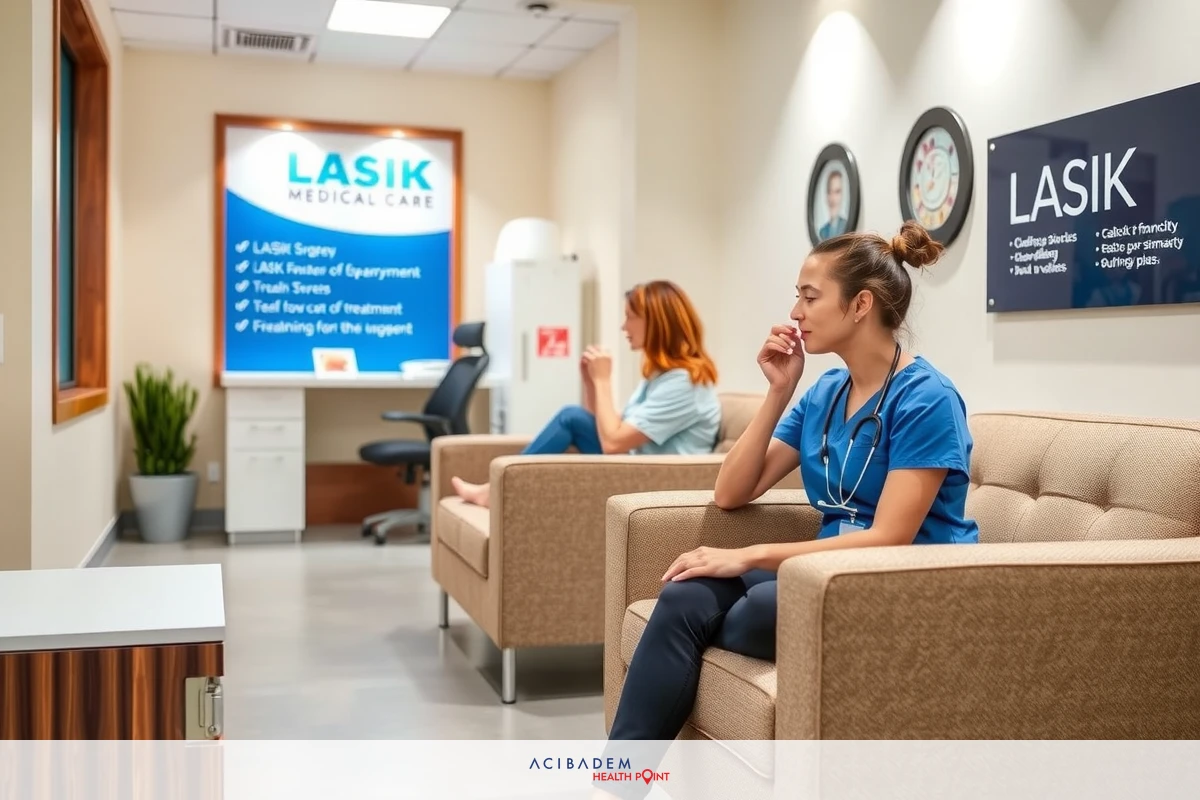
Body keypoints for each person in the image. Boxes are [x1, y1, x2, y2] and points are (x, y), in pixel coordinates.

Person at [599, 220, 979, 763]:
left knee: (761, 605)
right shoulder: (825, 391)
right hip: (822, 570)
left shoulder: (926, 399)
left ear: (859, 305)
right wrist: (779, 392)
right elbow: (732, 492)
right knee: (685, 594)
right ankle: (620, 779)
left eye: (808, 297)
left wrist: (747, 555)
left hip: (907, 577)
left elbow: (890, 537)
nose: (795, 313)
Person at [450, 280, 723, 509]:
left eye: (630, 317)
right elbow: (608, 430)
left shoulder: (686, 381)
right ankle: (498, 488)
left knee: (571, 417)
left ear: (655, 323)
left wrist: (603, 380)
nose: (623, 327)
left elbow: (613, 443)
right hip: (639, 464)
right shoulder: (661, 376)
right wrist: (592, 383)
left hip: (660, 478)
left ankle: (495, 490)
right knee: (575, 417)